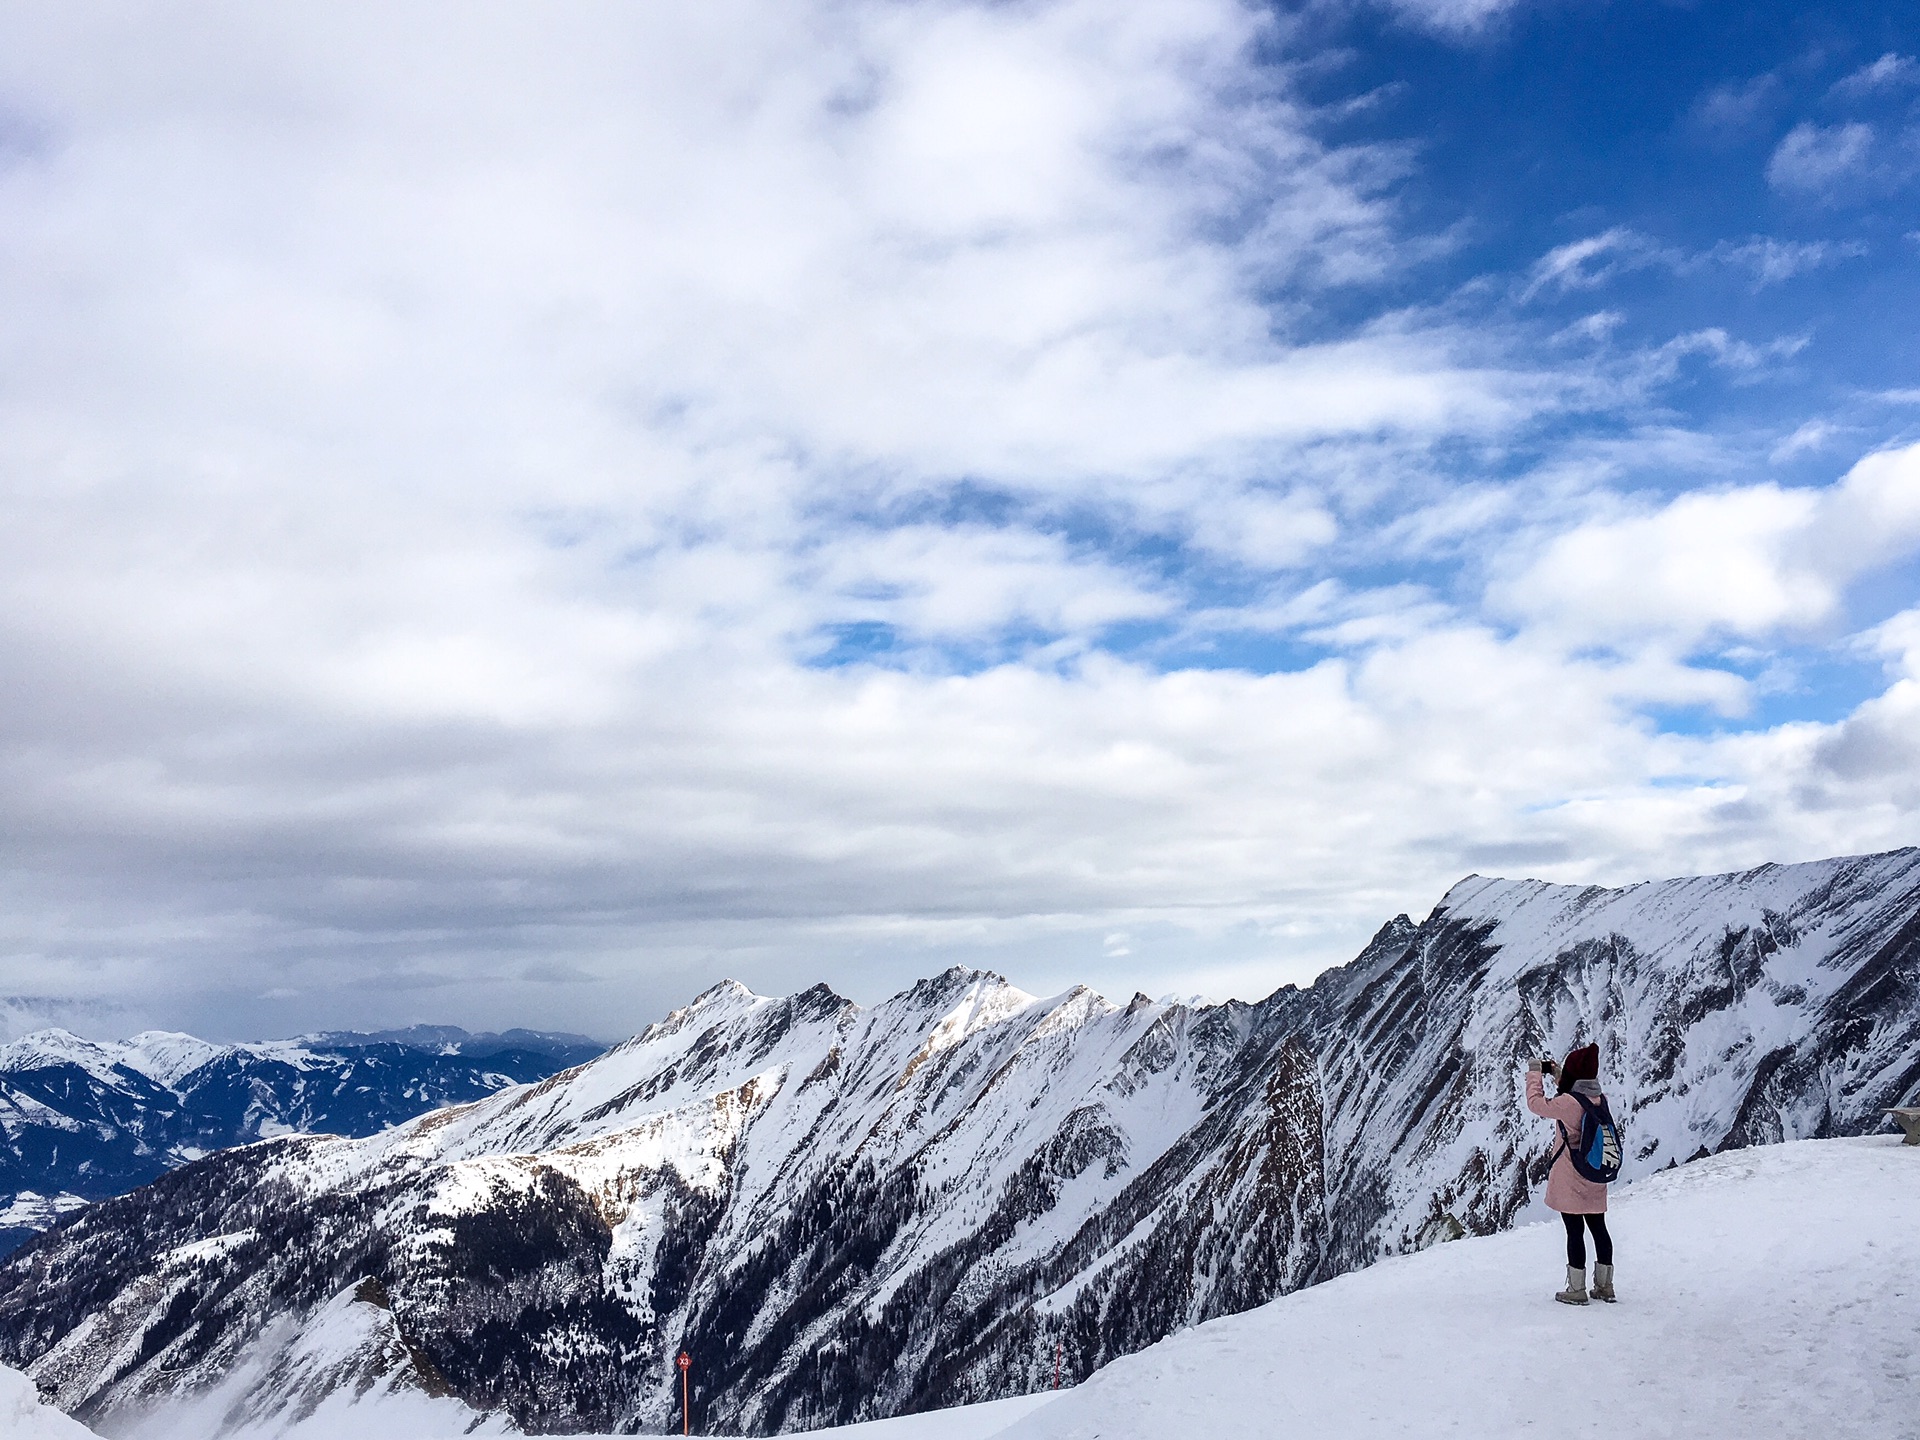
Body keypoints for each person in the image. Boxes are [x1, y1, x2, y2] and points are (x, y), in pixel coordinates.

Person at [1526, 1044, 1615, 1305]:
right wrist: (1557, 1073)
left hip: (1571, 1176)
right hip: (1594, 1174)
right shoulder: (1599, 1099)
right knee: (1599, 1228)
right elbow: (1574, 1088)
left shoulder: (1567, 1104)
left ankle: (1576, 1289)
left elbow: (1536, 1104)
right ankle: (1605, 1286)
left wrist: (1534, 1074)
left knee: (1574, 1231)